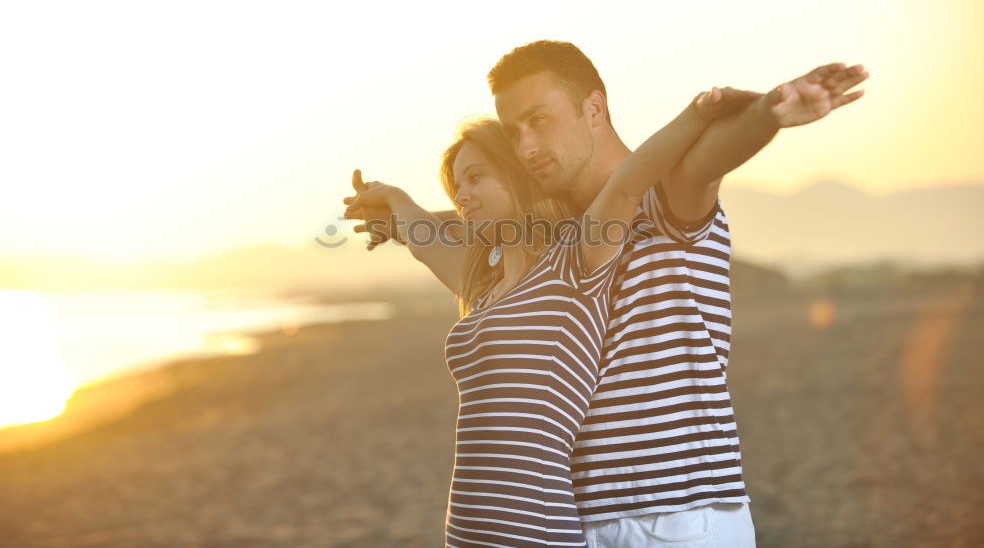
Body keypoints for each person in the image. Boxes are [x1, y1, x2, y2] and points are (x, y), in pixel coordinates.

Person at [347, 41, 868, 547]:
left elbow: (707, 159)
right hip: (576, 518)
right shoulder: (544, 254)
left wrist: (767, 113)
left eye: (540, 120)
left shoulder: (662, 198)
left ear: (593, 107)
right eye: (514, 132)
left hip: (674, 515)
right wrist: (396, 213)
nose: (527, 146)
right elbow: (476, 227)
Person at [343, 88, 752, 546]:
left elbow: (629, 182)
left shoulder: (573, 265)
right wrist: (393, 203)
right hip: (469, 530)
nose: (462, 196)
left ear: (521, 177)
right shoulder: (485, 284)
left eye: (476, 177)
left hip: (539, 522)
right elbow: (424, 240)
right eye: (457, 187)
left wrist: (697, 113)